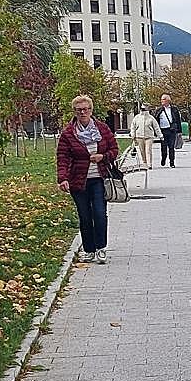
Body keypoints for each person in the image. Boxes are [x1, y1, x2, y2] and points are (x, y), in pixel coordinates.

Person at [57, 95, 119, 264]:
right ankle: (89, 250)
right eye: (79, 110)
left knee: (99, 214)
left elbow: (114, 149)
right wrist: (62, 178)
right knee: (85, 216)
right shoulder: (68, 133)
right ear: (74, 112)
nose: (83, 112)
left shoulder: (102, 129)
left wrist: (102, 157)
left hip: (99, 179)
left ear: (91, 110)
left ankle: (101, 248)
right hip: (78, 181)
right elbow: (62, 157)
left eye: (85, 109)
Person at [155, 94, 182, 167]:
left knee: (171, 147)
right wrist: (156, 132)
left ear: (168, 100)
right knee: (163, 147)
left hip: (171, 130)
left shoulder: (174, 109)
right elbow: (155, 121)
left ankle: (172, 162)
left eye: (163, 99)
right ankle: (163, 158)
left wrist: (179, 131)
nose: (162, 101)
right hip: (163, 131)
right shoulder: (159, 110)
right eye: (161, 99)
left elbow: (178, 120)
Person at [130, 104, 158, 168]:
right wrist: (133, 135)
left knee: (148, 150)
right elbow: (133, 127)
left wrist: (160, 135)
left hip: (149, 136)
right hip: (139, 136)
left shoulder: (151, 118)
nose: (143, 110)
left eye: (144, 109)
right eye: (142, 109)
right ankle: (144, 162)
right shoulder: (137, 117)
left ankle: (149, 164)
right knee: (142, 151)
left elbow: (156, 127)